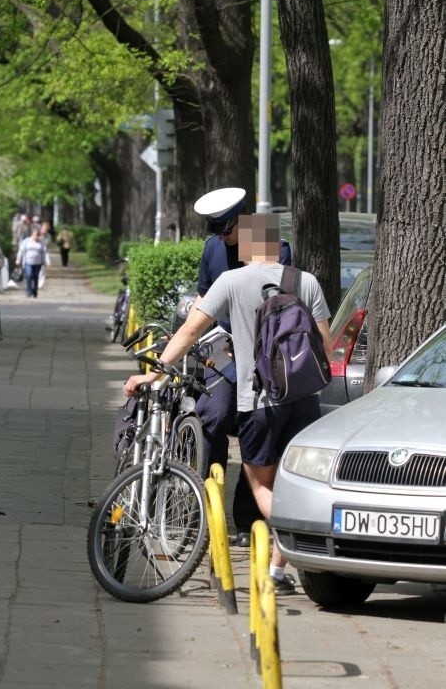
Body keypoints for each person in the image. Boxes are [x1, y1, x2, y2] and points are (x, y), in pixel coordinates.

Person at [125, 212, 332, 595]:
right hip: (304, 400)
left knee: (261, 483)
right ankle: (275, 568)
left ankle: (296, 534)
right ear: (277, 244)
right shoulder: (306, 282)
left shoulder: (232, 282)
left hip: (258, 399)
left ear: (247, 245)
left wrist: (153, 374)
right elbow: (326, 345)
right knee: (293, 479)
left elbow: (190, 331)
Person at [188, 188, 292, 547]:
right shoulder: (213, 248)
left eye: (225, 230)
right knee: (212, 417)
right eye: (215, 232)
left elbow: (273, 298)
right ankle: (201, 506)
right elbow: (203, 296)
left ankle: (247, 522)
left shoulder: (268, 240)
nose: (221, 239)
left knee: (255, 427)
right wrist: (188, 335)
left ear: (242, 221)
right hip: (223, 353)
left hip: (259, 352)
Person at [15, 226, 50, 298]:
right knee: (29, 275)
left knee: (36, 277)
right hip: (28, 262)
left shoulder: (41, 243)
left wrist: (47, 261)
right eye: (35, 235)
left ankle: (35, 291)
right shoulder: (26, 241)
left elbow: (45, 252)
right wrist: (18, 260)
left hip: (38, 263)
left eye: (38, 235)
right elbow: (21, 251)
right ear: (32, 234)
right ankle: (28, 290)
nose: (36, 236)